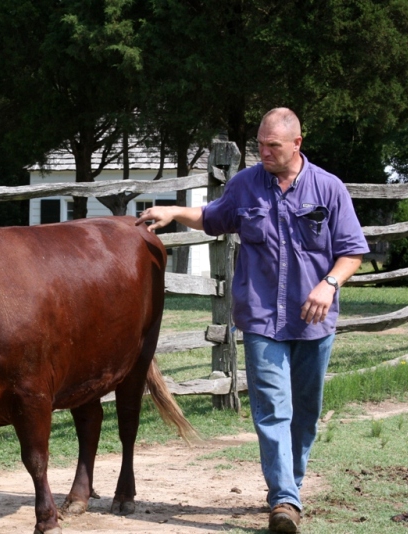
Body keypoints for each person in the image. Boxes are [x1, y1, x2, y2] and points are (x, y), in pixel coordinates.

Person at [136, 108, 369, 533]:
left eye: (272, 146)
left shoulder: (329, 189)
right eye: (260, 144)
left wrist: (329, 283)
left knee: (305, 413)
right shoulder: (245, 185)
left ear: (297, 144)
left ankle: (289, 488)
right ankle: (284, 499)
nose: (263, 152)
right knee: (272, 410)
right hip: (262, 319)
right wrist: (173, 211)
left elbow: (351, 250)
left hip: (314, 321)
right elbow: (211, 217)